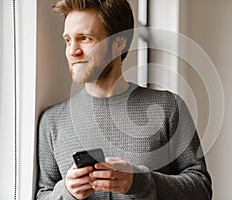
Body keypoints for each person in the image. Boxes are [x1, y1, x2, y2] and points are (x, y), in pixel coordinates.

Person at [36, 0, 212, 199]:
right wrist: (67, 191)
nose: (72, 51)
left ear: (119, 43)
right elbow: (43, 194)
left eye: (85, 38)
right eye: (68, 40)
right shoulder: (51, 122)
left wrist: (139, 182)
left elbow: (201, 189)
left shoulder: (169, 107)